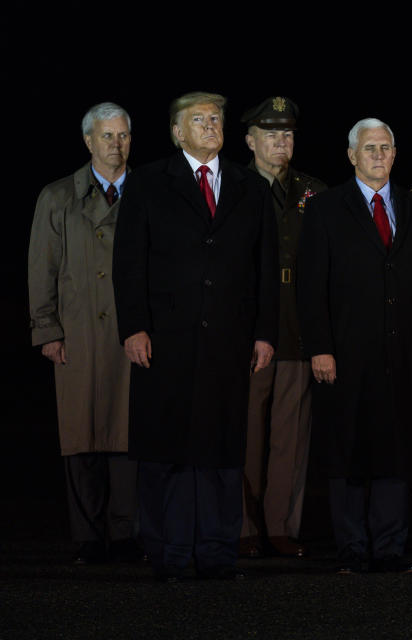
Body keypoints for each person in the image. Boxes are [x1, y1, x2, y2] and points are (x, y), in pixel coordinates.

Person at [112, 92, 278, 581]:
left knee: (222, 449)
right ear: (176, 132)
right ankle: (169, 550)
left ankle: (217, 550)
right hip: (165, 340)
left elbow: (265, 268)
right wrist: (134, 326)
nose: (210, 125)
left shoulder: (251, 187)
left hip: (229, 340)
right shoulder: (146, 183)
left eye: (216, 118)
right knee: (167, 449)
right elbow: (128, 264)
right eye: (199, 119)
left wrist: (265, 333)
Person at [298, 118, 412, 574]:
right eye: (369, 148)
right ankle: (352, 549)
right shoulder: (325, 209)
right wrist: (320, 347)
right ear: (351, 155)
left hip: (402, 355)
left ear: (395, 154)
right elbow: (310, 286)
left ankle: (388, 548)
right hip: (345, 353)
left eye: (385, 148)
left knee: (396, 451)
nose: (378, 156)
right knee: (347, 451)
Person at [28, 102, 138, 564]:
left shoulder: (148, 192)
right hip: (77, 333)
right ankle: (89, 537)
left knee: (128, 434)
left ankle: (128, 533)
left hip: (131, 333)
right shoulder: (58, 197)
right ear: (89, 141)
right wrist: (47, 329)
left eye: (123, 136)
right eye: (107, 136)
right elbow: (41, 268)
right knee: (81, 435)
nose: (116, 145)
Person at [237, 96, 327, 559]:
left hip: (298, 326)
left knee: (290, 434)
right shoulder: (233, 188)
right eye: (271, 134)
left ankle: (279, 526)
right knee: (246, 431)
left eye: (288, 134)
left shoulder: (315, 191)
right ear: (250, 140)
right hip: (249, 328)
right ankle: (244, 526)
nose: (281, 142)